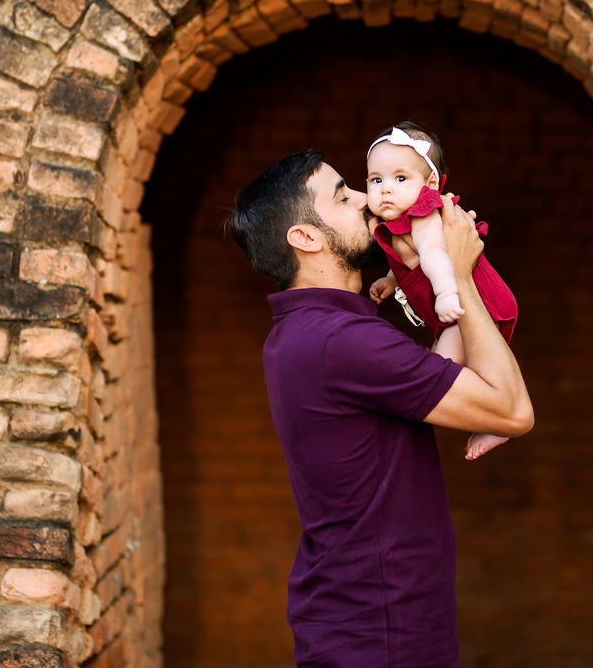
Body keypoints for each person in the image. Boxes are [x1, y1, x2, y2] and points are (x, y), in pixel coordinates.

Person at [228, 149, 533, 668]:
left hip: (370, 621)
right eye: (345, 196)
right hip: (382, 633)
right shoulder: (340, 340)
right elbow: (510, 411)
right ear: (305, 238)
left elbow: (446, 383)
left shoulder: (313, 332)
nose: (371, 200)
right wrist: (459, 273)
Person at [365, 123, 519, 460]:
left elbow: (433, 253)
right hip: (452, 312)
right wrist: (392, 280)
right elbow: (410, 259)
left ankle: (499, 419)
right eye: (376, 180)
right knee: (455, 369)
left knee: (436, 374)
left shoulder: (425, 215)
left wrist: (450, 294)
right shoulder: (397, 225)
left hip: (474, 300)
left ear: (429, 184)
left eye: (400, 179)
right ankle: (494, 420)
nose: (386, 190)